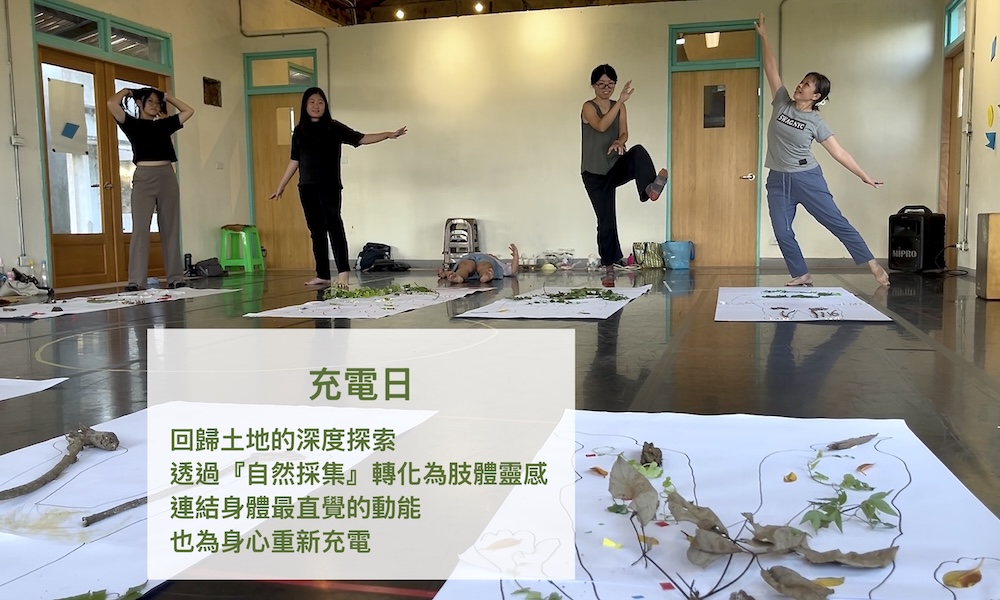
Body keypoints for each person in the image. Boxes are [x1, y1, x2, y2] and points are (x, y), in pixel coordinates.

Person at [756, 14, 890, 288]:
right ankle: (801, 274)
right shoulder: (782, 101)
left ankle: (872, 263)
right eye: (801, 81)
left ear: (816, 96)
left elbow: (839, 152)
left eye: (806, 85)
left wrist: (863, 175)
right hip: (777, 180)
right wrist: (764, 37)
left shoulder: (816, 122)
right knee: (782, 231)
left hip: (807, 179)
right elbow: (771, 69)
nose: (800, 85)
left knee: (835, 222)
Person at [270, 87, 407, 290]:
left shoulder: (333, 127)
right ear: (305, 105)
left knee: (334, 226)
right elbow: (295, 160)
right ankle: (323, 275)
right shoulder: (299, 130)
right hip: (306, 187)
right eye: (312, 102)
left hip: (329, 186)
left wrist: (388, 134)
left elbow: (360, 138)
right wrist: (281, 186)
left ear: (325, 106)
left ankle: (343, 273)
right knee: (316, 231)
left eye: (320, 102)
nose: (316, 106)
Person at [580, 64, 669, 287]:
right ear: (593, 85)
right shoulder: (588, 107)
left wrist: (620, 142)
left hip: (613, 166)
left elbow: (624, 132)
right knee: (606, 219)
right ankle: (609, 268)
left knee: (637, 152)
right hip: (593, 172)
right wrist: (620, 101)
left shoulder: (620, 108)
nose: (606, 88)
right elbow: (601, 126)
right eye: (601, 84)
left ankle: (649, 189)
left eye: (610, 84)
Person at [107, 86, 194, 291]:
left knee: (170, 228)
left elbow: (189, 111)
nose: (155, 105)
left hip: (166, 176)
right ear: (140, 103)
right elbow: (111, 103)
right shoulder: (131, 124)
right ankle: (136, 281)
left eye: (157, 102)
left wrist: (168, 97)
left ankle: (175, 277)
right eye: (150, 101)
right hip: (143, 178)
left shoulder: (164, 124)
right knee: (140, 229)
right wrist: (127, 91)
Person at [438, 243, 520, 284]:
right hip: (470, 258)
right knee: (467, 265)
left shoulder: (497, 262)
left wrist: (516, 257)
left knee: (471, 265)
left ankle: (484, 274)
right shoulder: (491, 259)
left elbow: (512, 270)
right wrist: (445, 273)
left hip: (479, 259)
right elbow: (512, 271)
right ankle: (459, 276)